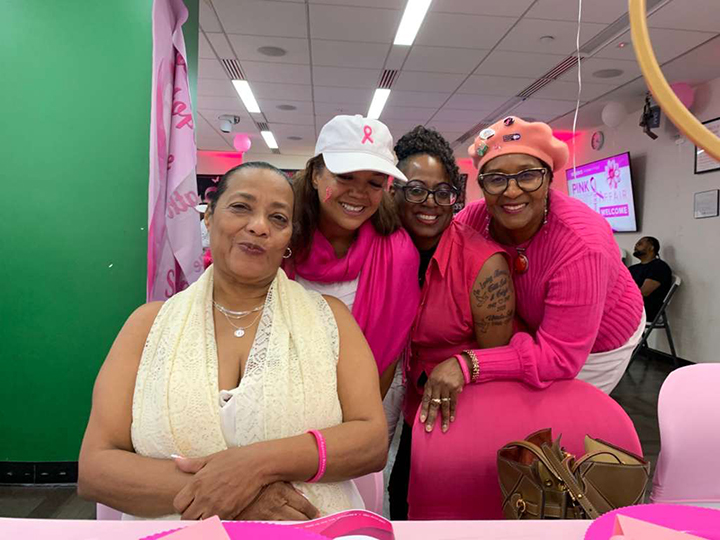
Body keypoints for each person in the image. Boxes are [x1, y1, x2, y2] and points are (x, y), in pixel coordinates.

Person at [78, 162, 388, 520]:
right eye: (241, 207)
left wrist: (255, 465)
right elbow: (96, 468)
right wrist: (237, 498)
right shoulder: (148, 326)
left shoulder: (330, 318)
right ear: (208, 217)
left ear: (289, 237)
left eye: (278, 218)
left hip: (312, 527)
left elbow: (371, 441)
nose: (259, 226)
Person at [457, 116, 645, 395]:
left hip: (596, 345)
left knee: (554, 415)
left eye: (528, 175)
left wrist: (468, 364)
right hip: (533, 328)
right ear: (483, 186)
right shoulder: (473, 220)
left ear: (548, 180)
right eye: (496, 179)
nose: (512, 191)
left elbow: (558, 358)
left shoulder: (581, 245)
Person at [386, 126, 515, 519]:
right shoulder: (383, 248)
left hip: (459, 410)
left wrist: (461, 365)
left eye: (442, 192)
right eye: (416, 190)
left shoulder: (483, 265)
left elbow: (497, 361)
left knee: (441, 509)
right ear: (394, 191)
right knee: (400, 498)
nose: (431, 203)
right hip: (409, 399)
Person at [287, 114, 421, 442]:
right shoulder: (283, 239)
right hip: (282, 402)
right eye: (345, 176)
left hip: (366, 409)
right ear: (315, 175)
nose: (359, 193)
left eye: (374, 183)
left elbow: (388, 353)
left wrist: (352, 431)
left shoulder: (398, 254)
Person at [629, 236, 673, 321]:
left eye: (640, 244)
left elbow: (644, 292)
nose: (635, 246)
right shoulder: (633, 268)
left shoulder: (659, 267)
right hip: (629, 307)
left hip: (644, 310)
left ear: (651, 248)